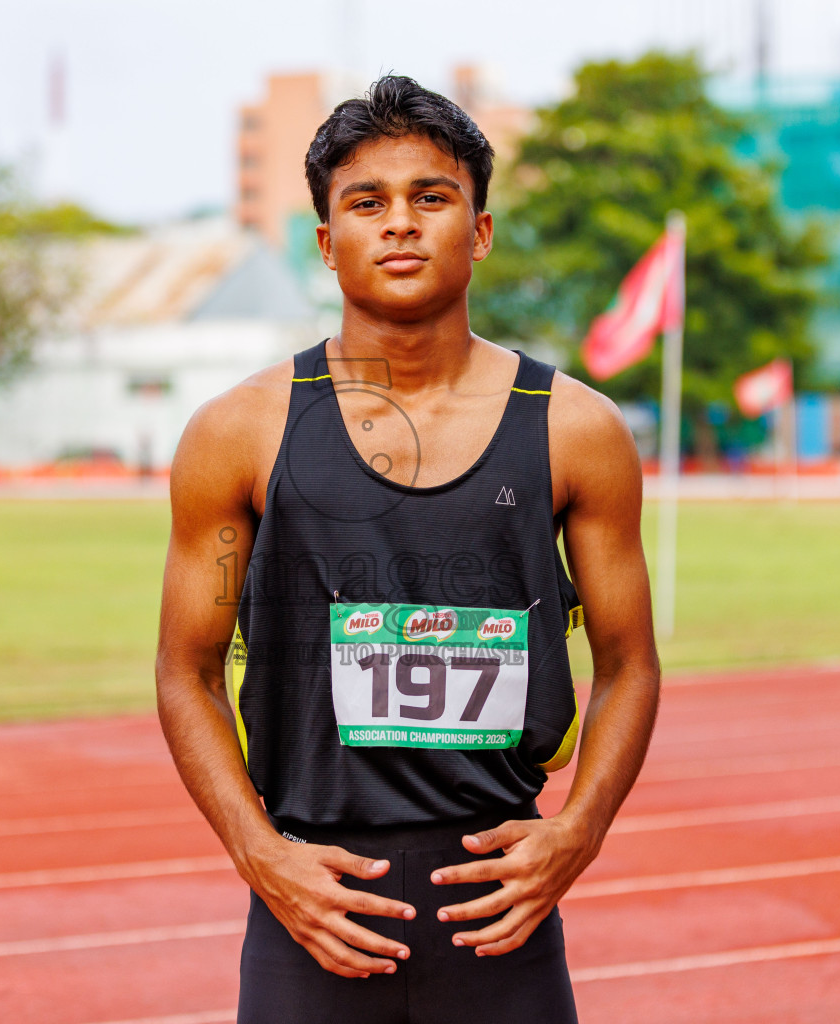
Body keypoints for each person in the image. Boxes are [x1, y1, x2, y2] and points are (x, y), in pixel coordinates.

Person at [155, 75, 660, 1024]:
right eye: (366, 202)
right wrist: (260, 855)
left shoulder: (575, 430)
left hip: (500, 912)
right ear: (325, 242)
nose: (399, 223)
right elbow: (186, 669)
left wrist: (578, 832)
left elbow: (630, 663)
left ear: (480, 230)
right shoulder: (238, 433)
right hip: (314, 908)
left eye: (431, 197)